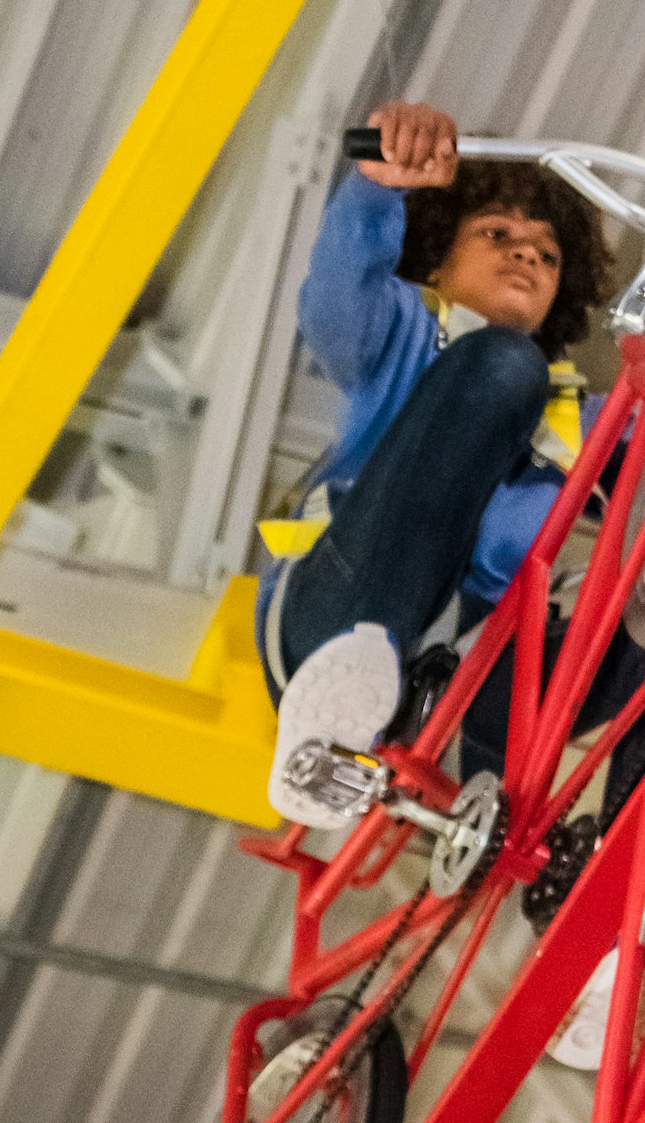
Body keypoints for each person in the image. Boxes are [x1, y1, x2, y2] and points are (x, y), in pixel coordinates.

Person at [260, 100, 617, 818]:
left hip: (457, 682)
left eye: (547, 254)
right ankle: (343, 700)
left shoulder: (585, 420)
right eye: (498, 234)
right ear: (438, 261)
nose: (526, 255)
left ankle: (643, 874)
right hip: (335, 612)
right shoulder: (397, 333)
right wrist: (377, 188)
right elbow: (333, 300)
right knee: (503, 365)